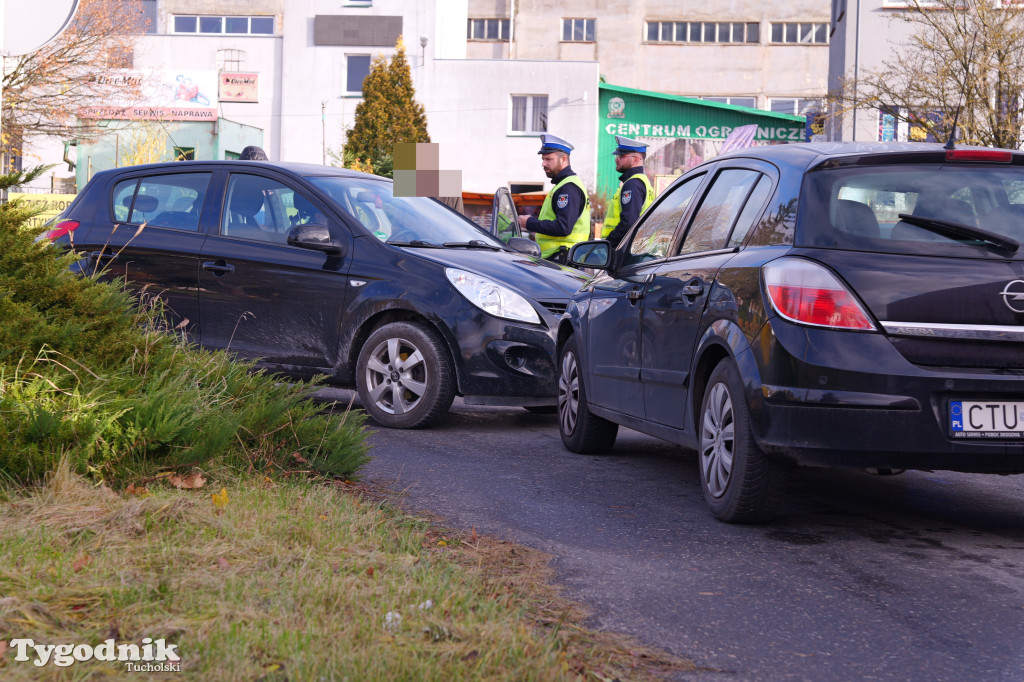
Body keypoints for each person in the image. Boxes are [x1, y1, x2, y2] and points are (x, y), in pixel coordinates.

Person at [517, 134, 591, 263]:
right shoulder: (563, 185)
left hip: (562, 260)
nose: (543, 163)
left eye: (548, 159)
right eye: (543, 159)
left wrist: (529, 222)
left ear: (563, 160)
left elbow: (563, 227)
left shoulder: (568, 188)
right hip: (560, 258)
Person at [602, 136, 655, 247]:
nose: (616, 159)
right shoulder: (641, 181)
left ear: (636, 159)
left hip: (625, 250)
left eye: (621, 156)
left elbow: (628, 223)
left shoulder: (633, 184)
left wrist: (607, 245)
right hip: (636, 249)